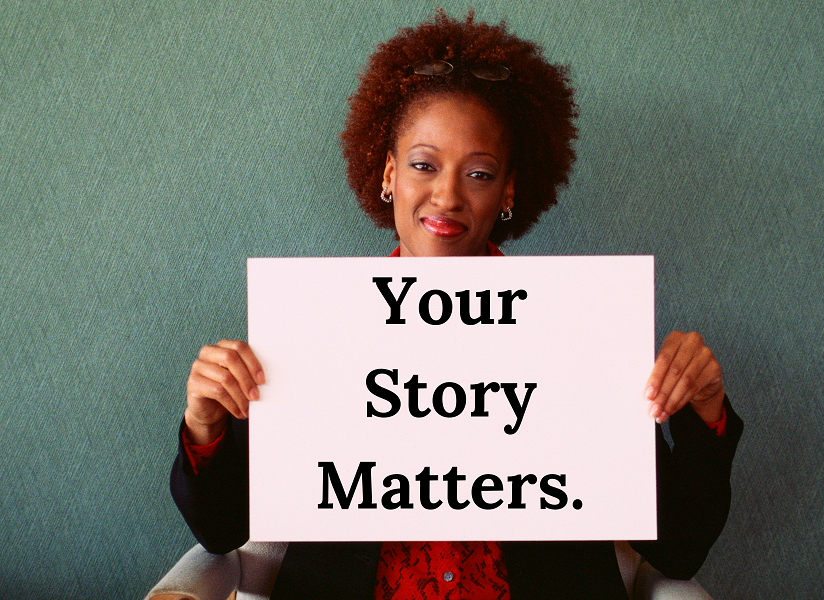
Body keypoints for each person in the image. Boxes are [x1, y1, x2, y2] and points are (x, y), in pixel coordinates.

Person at [171, 10, 742, 600]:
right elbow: (221, 531)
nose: (446, 194)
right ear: (389, 173)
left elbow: (680, 547)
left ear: (509, 190)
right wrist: (205, 424)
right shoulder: (318, 326)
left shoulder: (573, 327)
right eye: (423, 164)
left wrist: (702, 408)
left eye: (479, 172)